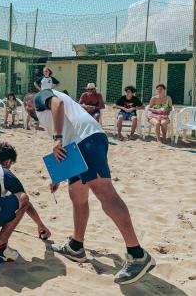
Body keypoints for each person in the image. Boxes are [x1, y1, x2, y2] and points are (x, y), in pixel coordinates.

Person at [27, 89, 155, 284]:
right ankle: (76, 246)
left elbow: (58, 106)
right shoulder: (51, 117)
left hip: (86, 139)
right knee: (76, 195)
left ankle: (137, 254)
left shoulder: (39, 97)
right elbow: (64, 138)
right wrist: (57, 177)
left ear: (28, 103)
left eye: (26, 106)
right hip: (76, 146)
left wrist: (57, 139)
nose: (28, 109)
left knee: (104, 193)